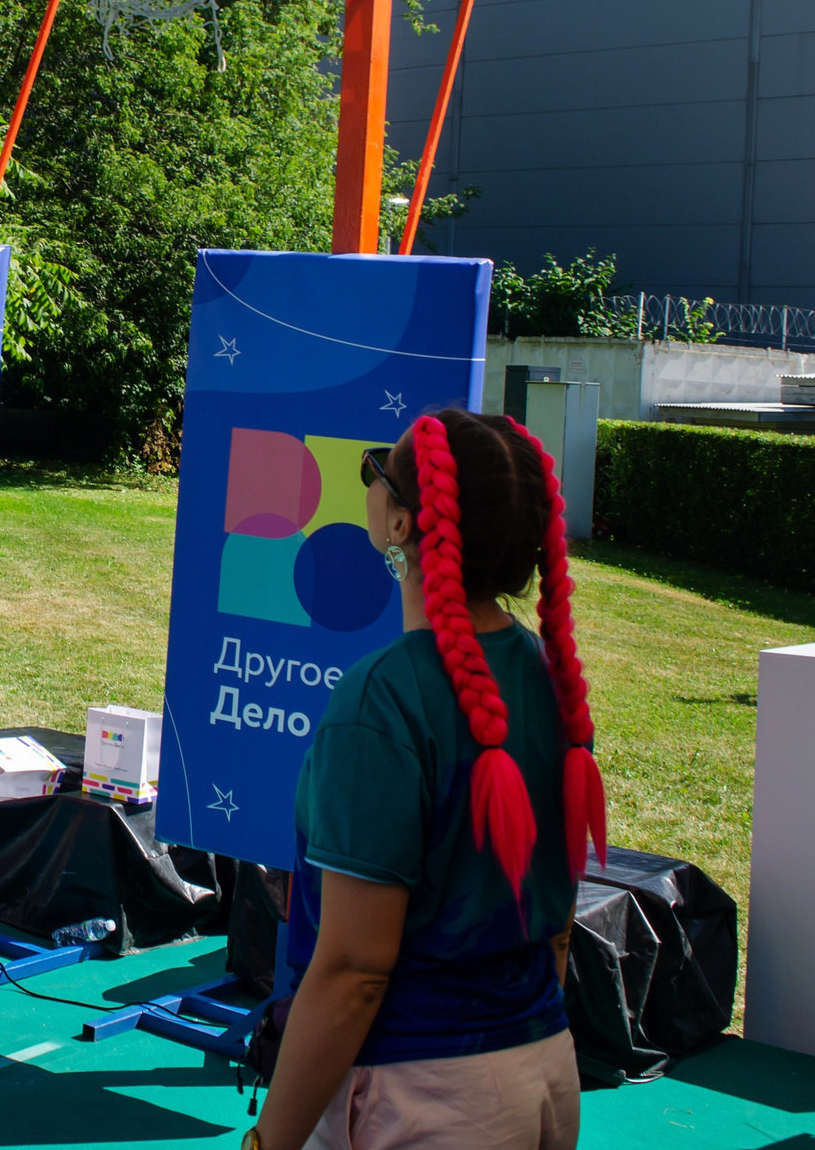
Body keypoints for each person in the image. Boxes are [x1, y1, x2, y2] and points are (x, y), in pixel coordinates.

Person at [247, 408, 609, 1150]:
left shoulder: (381, 700)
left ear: (403, 525)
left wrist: (268, 1142)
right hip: (542, 1069)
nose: (371, 485)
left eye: (378, 472)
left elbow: (353, 973)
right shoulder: (551, 680)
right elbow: (558, 929)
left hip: (419, 1096)